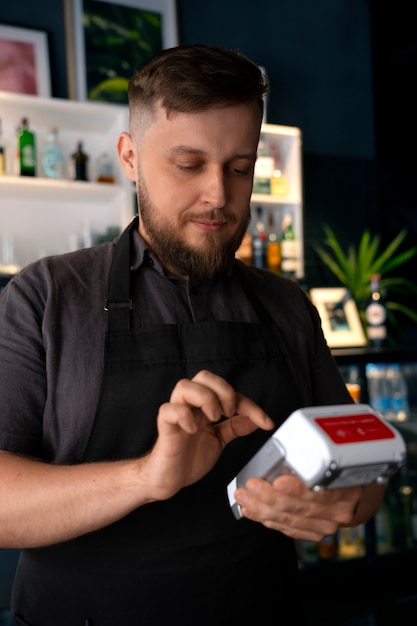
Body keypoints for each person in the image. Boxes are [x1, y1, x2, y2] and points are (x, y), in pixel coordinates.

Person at [0, 44, 384, 625]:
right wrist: (147, 477)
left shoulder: (287, 307)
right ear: (129, 157)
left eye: (239, 167)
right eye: (189, 164)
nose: (219, 196)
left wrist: (343, 503)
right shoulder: (46, 297)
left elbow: (364, 470)